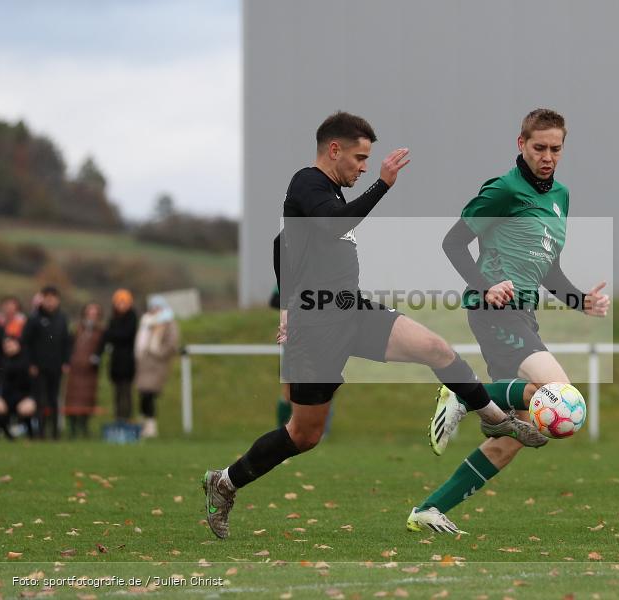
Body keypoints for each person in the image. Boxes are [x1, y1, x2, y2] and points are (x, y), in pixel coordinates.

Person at [202, 111, 546, 540]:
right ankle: (225, 483)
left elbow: (282, 243)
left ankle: (495, 418)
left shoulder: (326, 192)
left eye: (369, 161)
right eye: (360, 158)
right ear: (334, 149)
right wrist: (381, 183)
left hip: (353, 309)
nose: (364, 166)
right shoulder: (306, 183)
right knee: (304, 434)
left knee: (436, 349)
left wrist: (286, 301)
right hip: (316, 328)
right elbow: (329, 228)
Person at [407, 109, 611, 534]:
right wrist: (485, 285)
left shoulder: (561, 197)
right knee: (557, 393)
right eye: (539, 147)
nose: (548, 156)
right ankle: (463, 397)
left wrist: (580, 301)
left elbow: (549, 269)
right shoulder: (503, 190)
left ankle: (428, 509)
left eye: (556, 149)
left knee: (512, 437)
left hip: (525, 315)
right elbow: (454, 243)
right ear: (521, 144)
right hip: (495, 309)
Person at [22, 286, 72, 439]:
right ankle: (41, 432)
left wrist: (66, 361)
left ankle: (55, 433)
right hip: (38, 367)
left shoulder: (62, 318)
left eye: (53, 299)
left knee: (54, 400)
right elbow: (26, 343)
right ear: (42, 299)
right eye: (47, 299)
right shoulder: (34, 318)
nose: (50, 302)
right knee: (40, 400)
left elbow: (67, 342)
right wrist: (31, 363)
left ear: (58, 300)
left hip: (56, 366)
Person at [134, 296, 180, 438]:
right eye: (152, 307)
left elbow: (171, 344)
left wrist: (158, 352)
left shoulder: (169, 323)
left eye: (157, 307)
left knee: (148, 394)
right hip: (144, 364)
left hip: (157, 365)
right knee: (143, 395)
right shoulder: (146, 322)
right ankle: (144, 425)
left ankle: (151, 427)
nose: (154, 309)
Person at [64, 303, 105, 438]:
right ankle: (72, 427)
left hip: (90, 370)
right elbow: (69, 345)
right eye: (89, 312)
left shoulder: (101, 331)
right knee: (72, 398)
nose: (92, 315)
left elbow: (101, 348)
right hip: (75, 368)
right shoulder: (76, 328)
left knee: (87, 399)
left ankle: (84, 426)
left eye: (94, 313)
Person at [100, 289, 139, 421]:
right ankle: (118, 419)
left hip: (128, 362)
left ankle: (126, 419)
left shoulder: (132, 318)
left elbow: (124, 335)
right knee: (117, 393)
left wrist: (112, 334)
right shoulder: (113, 319)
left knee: (126, 392)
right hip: (116, 362)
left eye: (124, 302)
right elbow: (108, 336)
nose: (121, 305)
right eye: (118, 302)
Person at [0, 335, 37, 440]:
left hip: (24, 397)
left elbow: (33, 384)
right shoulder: (1, 362)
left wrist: (32, 398)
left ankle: (31, 435)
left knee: (26, 409)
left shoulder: (28, 361)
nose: (8, 347)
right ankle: (9, 435)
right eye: (5, 345)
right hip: (6, 398)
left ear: (18, 344)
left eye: (11, 344)